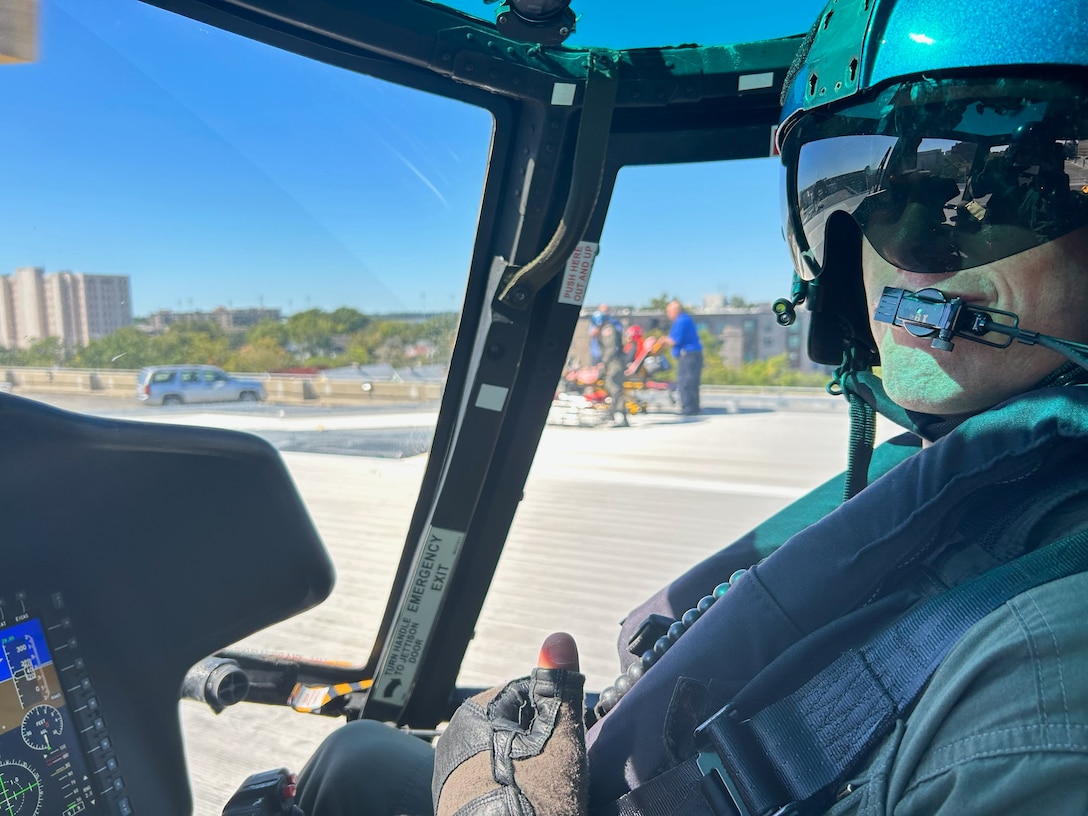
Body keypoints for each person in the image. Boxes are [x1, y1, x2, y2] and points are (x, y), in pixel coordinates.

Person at [297, 0, 1088, 813]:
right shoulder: (956, 482)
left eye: (967, 189)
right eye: (837, 195)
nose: (896, 261)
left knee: (351, 770)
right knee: (352, 759)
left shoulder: (1054, 690)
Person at [660, 300, 702, 416]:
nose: (668, 314)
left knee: (685, 382)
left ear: (676, 311)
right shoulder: (685, 319)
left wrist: (662, 340)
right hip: (693, 355)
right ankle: (694, 408)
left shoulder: (681, 321)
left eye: (669, 311)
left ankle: (688, 409)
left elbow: (674, 340)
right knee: (692, 382)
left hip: (688, 356)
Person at [590, 306, 629, 427]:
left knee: (614, 386)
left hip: (615, 362)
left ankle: (617, 415)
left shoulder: (607, 330)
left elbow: (611, 348)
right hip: (613, 362)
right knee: (612, 386)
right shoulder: (607, 329)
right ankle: (619, 416)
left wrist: (604, 362)